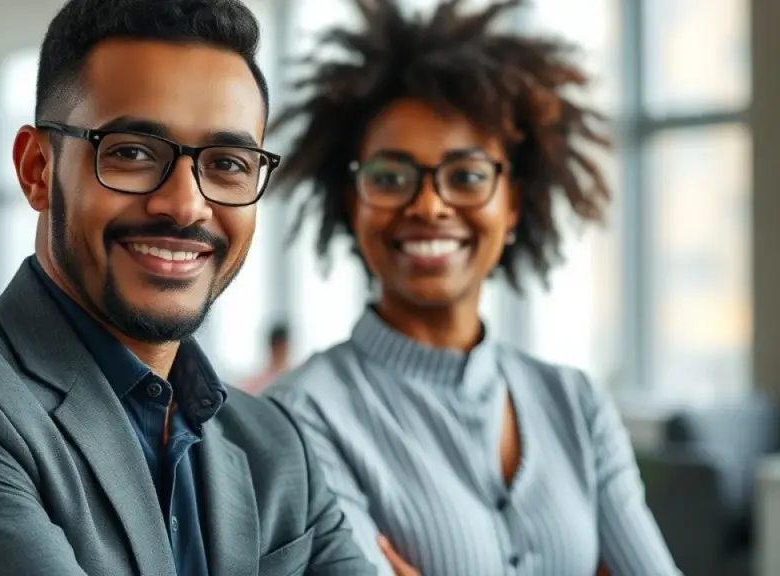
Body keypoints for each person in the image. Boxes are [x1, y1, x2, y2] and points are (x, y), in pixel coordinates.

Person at [0, 1, 375, 574]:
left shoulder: (276, 449)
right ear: (38, 169)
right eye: (133, 153)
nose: (185, 205)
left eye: (228, 164)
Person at [266, 1, 678, 575]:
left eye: (466, 176)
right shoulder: (302, 416)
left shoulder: (578, 405)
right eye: (390, 177)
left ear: (513, 205)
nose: (430, 205)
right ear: (351, 202)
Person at [239, 322, 291, 394]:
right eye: (278, 349)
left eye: (282, 350)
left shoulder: (291, 381)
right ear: (272, 348)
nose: (280, 354)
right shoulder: (255, 383)